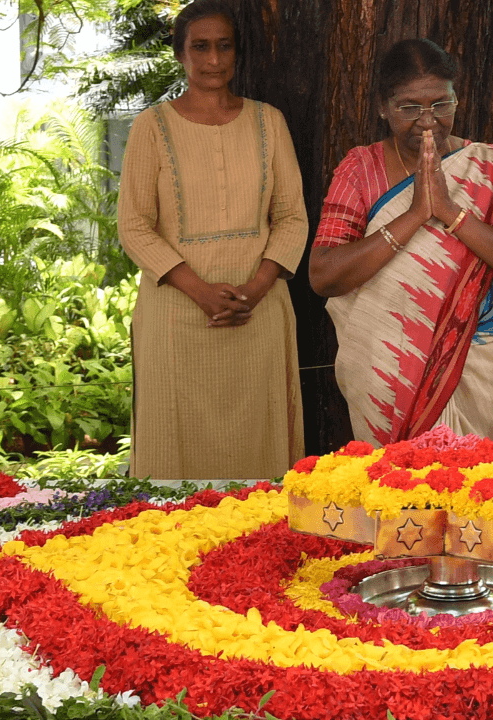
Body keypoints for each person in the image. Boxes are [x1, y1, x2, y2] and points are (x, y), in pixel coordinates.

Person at [309, 38, 493, 455]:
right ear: (383, 107)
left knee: (486, 498)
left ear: (457, 99)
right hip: (387, 373)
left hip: (481, 369)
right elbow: (324, 275)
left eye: (441, 104)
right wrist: (417, 213)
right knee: (404, 498)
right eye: (409, 107)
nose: (427, 121)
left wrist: (451, 212)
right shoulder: (361, 170)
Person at [117, 0, 307, 479]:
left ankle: (262, 552)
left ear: (237, 52)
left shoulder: (270, 122)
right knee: (173, 466)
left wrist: (255, 290)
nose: (214, 60)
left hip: (259, 313)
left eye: (224, 46)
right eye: (200, 47)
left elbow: (291, 218)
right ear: (181, 53)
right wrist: (202, 292)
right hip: (176, 318)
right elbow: (134, 226)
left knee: (262, 464)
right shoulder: (151, 127)